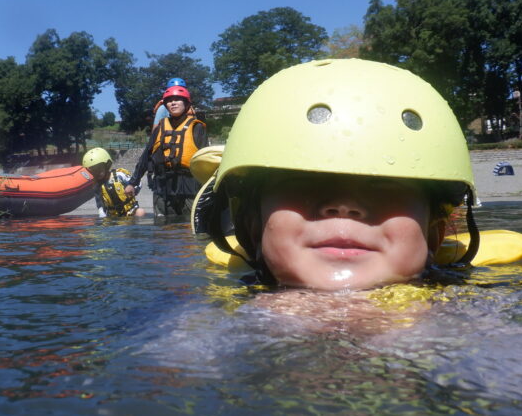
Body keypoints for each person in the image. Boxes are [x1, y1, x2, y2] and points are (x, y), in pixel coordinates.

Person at [193, 58, 482, 291]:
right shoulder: (209, 320)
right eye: (304, 182)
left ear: (432, 237)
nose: (344, 205)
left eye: (382, 185)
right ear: (253, 230)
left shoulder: (475, 315)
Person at [126, 84, 208, 216]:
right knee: (162, 231)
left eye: (177, 99)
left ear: (187, 104)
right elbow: (146, 157)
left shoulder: (197, 128)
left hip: (190, 187)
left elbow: (206, 159)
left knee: (188, 230)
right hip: (162, 188)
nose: (173, 103)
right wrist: (132, 182)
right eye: (169, 100)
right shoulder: (160, 128)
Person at [83, 147, 145, 218]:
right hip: (113, 215)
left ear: (106, 165)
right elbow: (99, 203)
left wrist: (134, 189)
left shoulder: (119, 175)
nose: (97, 172)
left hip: (130, 210)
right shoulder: (97, 186)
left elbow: (138, 182)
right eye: (94, 170)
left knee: (140, 212)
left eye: (99, 168)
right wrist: (102, 215)